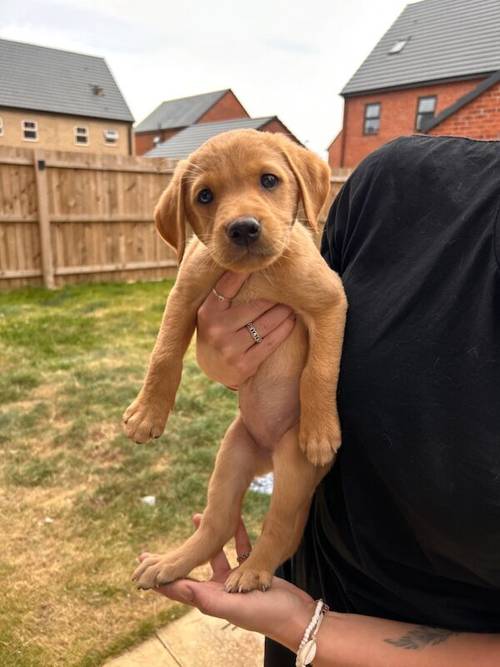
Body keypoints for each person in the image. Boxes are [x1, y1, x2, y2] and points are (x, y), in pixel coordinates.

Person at [142, 135, 500, 665]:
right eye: (206, 197)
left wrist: (315, 404)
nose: (241, 216)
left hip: (338, 608)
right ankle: (207, 538)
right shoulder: (393, 177)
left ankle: (269, 551)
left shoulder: (299, 253)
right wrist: (200, 366)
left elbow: (327, 306)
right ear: (185, 223)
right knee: (233, 456)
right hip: (313, 583)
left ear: (302, 190)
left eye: (268, 182)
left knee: (294, 466)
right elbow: (187, 310)